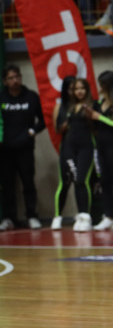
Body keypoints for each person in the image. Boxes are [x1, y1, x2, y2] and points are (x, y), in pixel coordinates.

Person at [0, 65, 45, 231]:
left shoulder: (31, 97)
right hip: (5, 150)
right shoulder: (2, 97)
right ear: (5, 81)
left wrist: (31, 132)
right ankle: (9, 218)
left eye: (17, 77)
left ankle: (32, 216)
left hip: (25, 148)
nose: (14, 81)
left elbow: (42, 120)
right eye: (10, 78)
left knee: (28, 182)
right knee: (7, 185)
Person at [53, 78, 96, 232]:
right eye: (75, 88)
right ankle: (64, 216)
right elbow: (58, 128)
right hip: (70, 148)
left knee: (81, 180)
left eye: (81, 88)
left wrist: (91, 115)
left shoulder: (92, 105)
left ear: (86, 90)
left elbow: (97, 126)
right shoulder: (68, 107)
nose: (78, 91)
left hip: (86, 147)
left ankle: (85, 216)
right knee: (68, 181)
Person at [89, 71, 113, 231]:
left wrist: (100, 117)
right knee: (104, 181)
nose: (100, 87)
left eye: (102, 84)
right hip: (101, 145)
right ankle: (109, 215)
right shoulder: (100, 101)